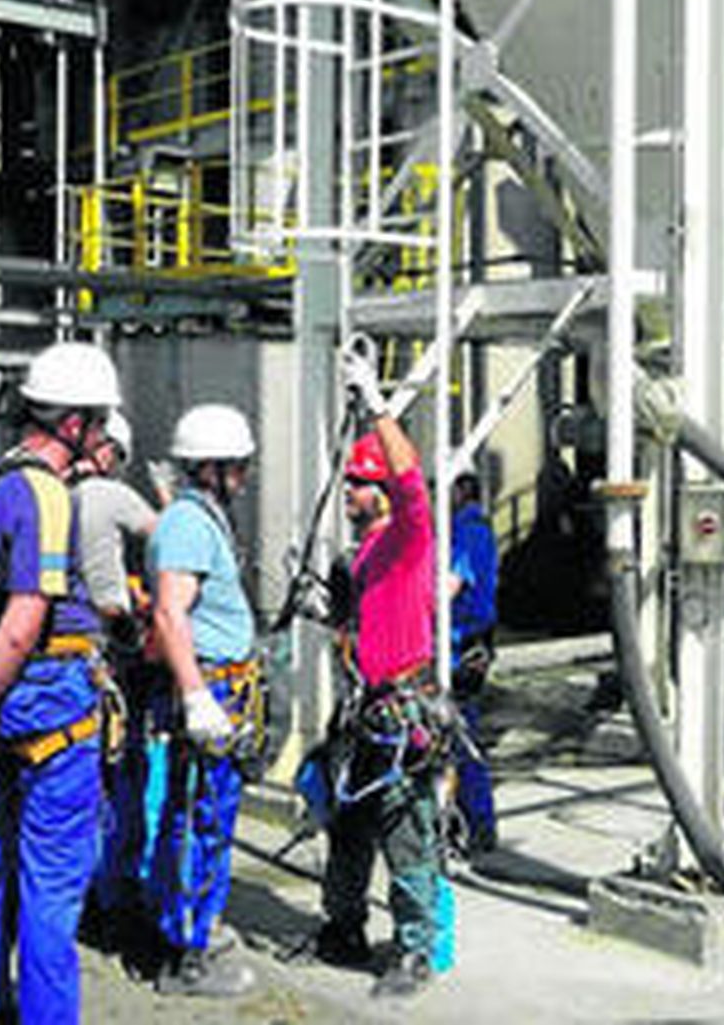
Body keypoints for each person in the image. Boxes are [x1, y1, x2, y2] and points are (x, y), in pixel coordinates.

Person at [0, 340, 121, 1025]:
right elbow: (21, 620)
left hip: (11, 707)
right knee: (52, 884)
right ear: (70, 422)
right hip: (51, 703)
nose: (100, 437)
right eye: (97, 422)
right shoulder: (45, 494)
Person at [306, 343, 441, 999]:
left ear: (378, 490)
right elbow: (355, 627)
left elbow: (411, 479)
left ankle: (414, 949)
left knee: (407, 833)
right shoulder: (360, 555)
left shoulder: (409, 537)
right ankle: (344, 927)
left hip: (402, 715)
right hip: (364, 712)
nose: (349, 493)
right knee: (349, 828)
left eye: (358, 484)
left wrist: (377, 403)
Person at [146, 403, 261, 998]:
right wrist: (196, 697)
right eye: (237, 467)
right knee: (201, 818)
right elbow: (169, 612)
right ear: (211, 468)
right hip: (210, 685)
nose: (243, 477)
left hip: (221, 683)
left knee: (206, 815)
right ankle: (186, 956)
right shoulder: (190, 523)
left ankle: (194, 929)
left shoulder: (198, 517)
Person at [73, 411, 160, 950]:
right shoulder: (109, 494)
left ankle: (83, 899)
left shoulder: (45, 491)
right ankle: (118, 903)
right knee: (124, 779)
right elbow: (172, 541)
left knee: (74, 787)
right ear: (109, 452)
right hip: (112, 653)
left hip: (54, 661)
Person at [448, 470, 499, 856]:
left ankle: (479, 821)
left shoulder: (467, 530)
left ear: (462, 490)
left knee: (459, 733)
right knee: (459, 732)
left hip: (463, 642)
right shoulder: (481, 527)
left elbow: (452, 584)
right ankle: (471, 819)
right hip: (474, 638)